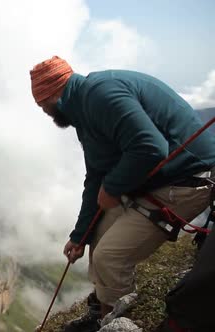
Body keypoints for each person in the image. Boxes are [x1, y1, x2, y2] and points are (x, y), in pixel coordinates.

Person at [29, 56, 215, 332]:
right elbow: (95, 176)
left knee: (110, 256)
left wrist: (113, 187)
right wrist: (80, 235)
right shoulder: (84, 111)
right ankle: (101, 311)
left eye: (42, 103)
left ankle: (117, 322)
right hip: (160, 182)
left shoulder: (100, 95)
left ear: (53, 95)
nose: (43, 110)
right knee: (98, 235)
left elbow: (151, 147)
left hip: (188, 181)